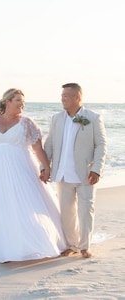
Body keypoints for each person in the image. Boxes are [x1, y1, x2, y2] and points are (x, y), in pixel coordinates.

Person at [0, 88, 66, 263]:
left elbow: (37, 148)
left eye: (23, 101)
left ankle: (37, 243)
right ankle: (8, 247)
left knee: (26, 204)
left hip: (22, 169)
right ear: (6, 102)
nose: (22, 104)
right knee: (2, 206)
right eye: (18, 101)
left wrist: (46, 167)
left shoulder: (27, 123)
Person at [43, 83, 107, 258]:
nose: (62, 98)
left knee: (86, 209)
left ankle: (85, 246)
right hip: (62, 173)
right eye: (62, 95)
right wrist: (45, 167)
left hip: (86, 174)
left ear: (77, 97)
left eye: (66, 95)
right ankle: (72, 244)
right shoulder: (56, 118)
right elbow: (49, 144)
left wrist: (96, 169)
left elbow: (101, 145)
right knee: (67, 212)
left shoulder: (93, 118)